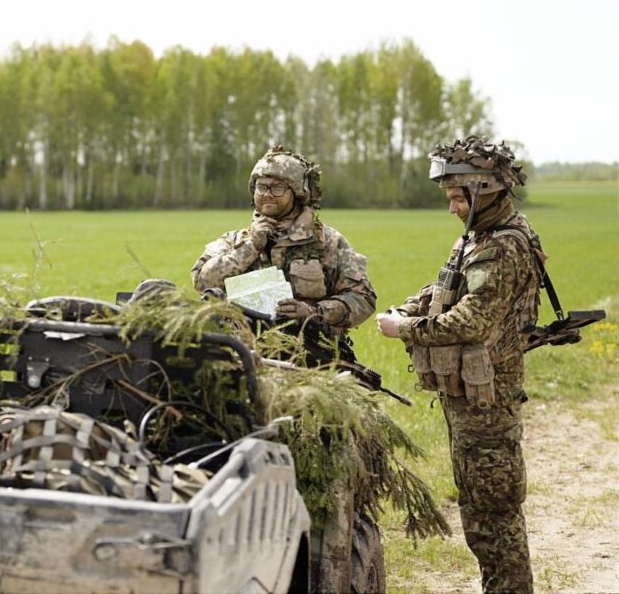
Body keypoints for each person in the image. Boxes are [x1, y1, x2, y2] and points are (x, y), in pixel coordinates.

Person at [376, 135, 540, 593]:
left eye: (457, 197)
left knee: (494, 518)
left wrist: (404, 329)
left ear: (485, 191)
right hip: (470, 401)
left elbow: (472, 319)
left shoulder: (502, 246)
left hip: (488, 404)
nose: (451, 207)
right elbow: (445, 288)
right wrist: (410, 307)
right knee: (480, 515)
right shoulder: (478, 238)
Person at [190, 146, 376, 334]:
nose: (267, 194)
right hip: (243, 347)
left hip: (309, 346)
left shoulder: (328, 242)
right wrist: (251, 246)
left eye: (277, 188)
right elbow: (202, 284)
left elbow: (363, 298)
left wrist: (314, 312)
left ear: (297, 192)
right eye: (261, 187)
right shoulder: (233, 241)